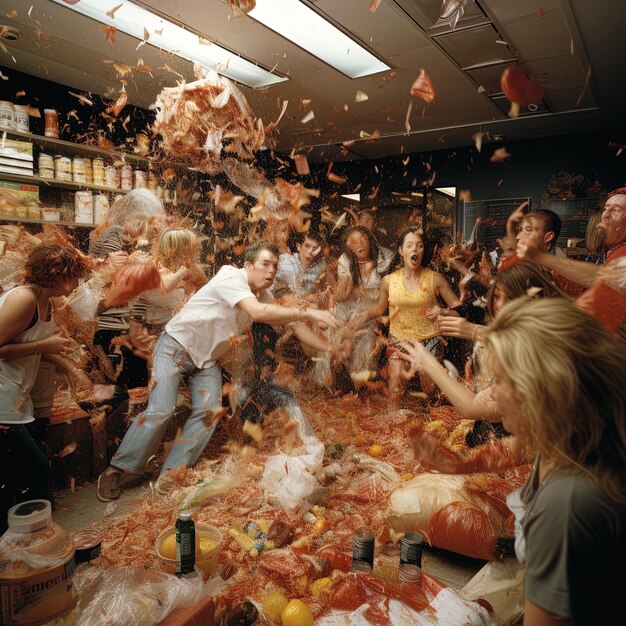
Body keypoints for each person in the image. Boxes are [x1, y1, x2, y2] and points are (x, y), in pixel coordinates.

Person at [96, 241, 339, 502]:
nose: (271, 271)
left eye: (275, 266)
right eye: (264, 264)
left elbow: (296, 326)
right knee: (161, 410)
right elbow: (257, 313)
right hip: (175, 348)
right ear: (247, 266)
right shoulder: (230, 276)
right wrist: (311, 312)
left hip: (206, 362)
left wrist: (331, 347)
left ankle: (172, 474)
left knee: (208, 413)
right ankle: (115, 470)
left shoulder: (264, 297)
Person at [482, 297, 625, 625]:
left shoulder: (566, 503)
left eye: (498, 380)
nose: (490, 393)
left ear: (537, 391)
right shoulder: (572, 444)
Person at [402, 263, 570, 447]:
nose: (499, 305)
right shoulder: (524, 341)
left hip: (506, 449)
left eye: (511, 298)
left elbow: (474, 407)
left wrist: (428, 362)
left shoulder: (539, 353)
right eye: (496, 296)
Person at [0, 243, 90, 532]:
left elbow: (32, 346)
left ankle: (20, 539)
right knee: (36, 467)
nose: (77, 283)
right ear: (56, 275)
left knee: (14, 473)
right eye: (74, 275)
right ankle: (42, 538)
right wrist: (44, 344)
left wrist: (72, 368)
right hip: (2, 396)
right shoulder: (23, 299)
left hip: (16, 394)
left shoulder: (45, 302)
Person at [353, 228, 462, 410]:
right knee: (395, 390)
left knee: (431, 392)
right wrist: (360, 318)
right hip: (399, 342)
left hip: (430, 342)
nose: (415, 250)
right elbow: (380, 308)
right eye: (410, 245)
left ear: (423, 251)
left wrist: (442, 310)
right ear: (401, 251)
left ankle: (436, 428)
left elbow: (460, 310)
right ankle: (392, 432)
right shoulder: (389, 281)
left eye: (419, 246)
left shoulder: (435, 279)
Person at [88, 189, 166, 391]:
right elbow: (115, 280)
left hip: (120, 321)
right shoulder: (111, 234)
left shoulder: (108, 233)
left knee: (124, 384)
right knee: (120, 384)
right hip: (113, 322)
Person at [519, 190, 626, 335]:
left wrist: (540, 257)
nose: (605, 214)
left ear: (548, 237)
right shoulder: (608, 250)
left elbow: (606, 281)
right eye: (606, 208)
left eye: (616, 210)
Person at [332, 225, 392, 375]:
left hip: (375, 309)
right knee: (333, 323)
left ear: (370, 239)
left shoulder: (387, 258)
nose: (359, 244)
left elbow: (385, 303)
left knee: (366, 335)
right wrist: (348, 282)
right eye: (353, 242)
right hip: (350, 304)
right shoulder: (345, 260)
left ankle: (359, 377)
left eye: (362, 239)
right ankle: (337, 372)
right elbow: (341, 297)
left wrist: (361, 318)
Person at [502, 203, 585, 297]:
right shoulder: (514, 264)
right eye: (520, 230)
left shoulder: (566, 275)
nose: (518, 237)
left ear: (548, 237)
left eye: (528, 230)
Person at [271, 230, 330, 302]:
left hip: (299, 308)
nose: (310, 251)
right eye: (307, 246)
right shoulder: (287, 261)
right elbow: (298, 294)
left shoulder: (318, 266)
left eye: (314, 249)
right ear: (299, 246)